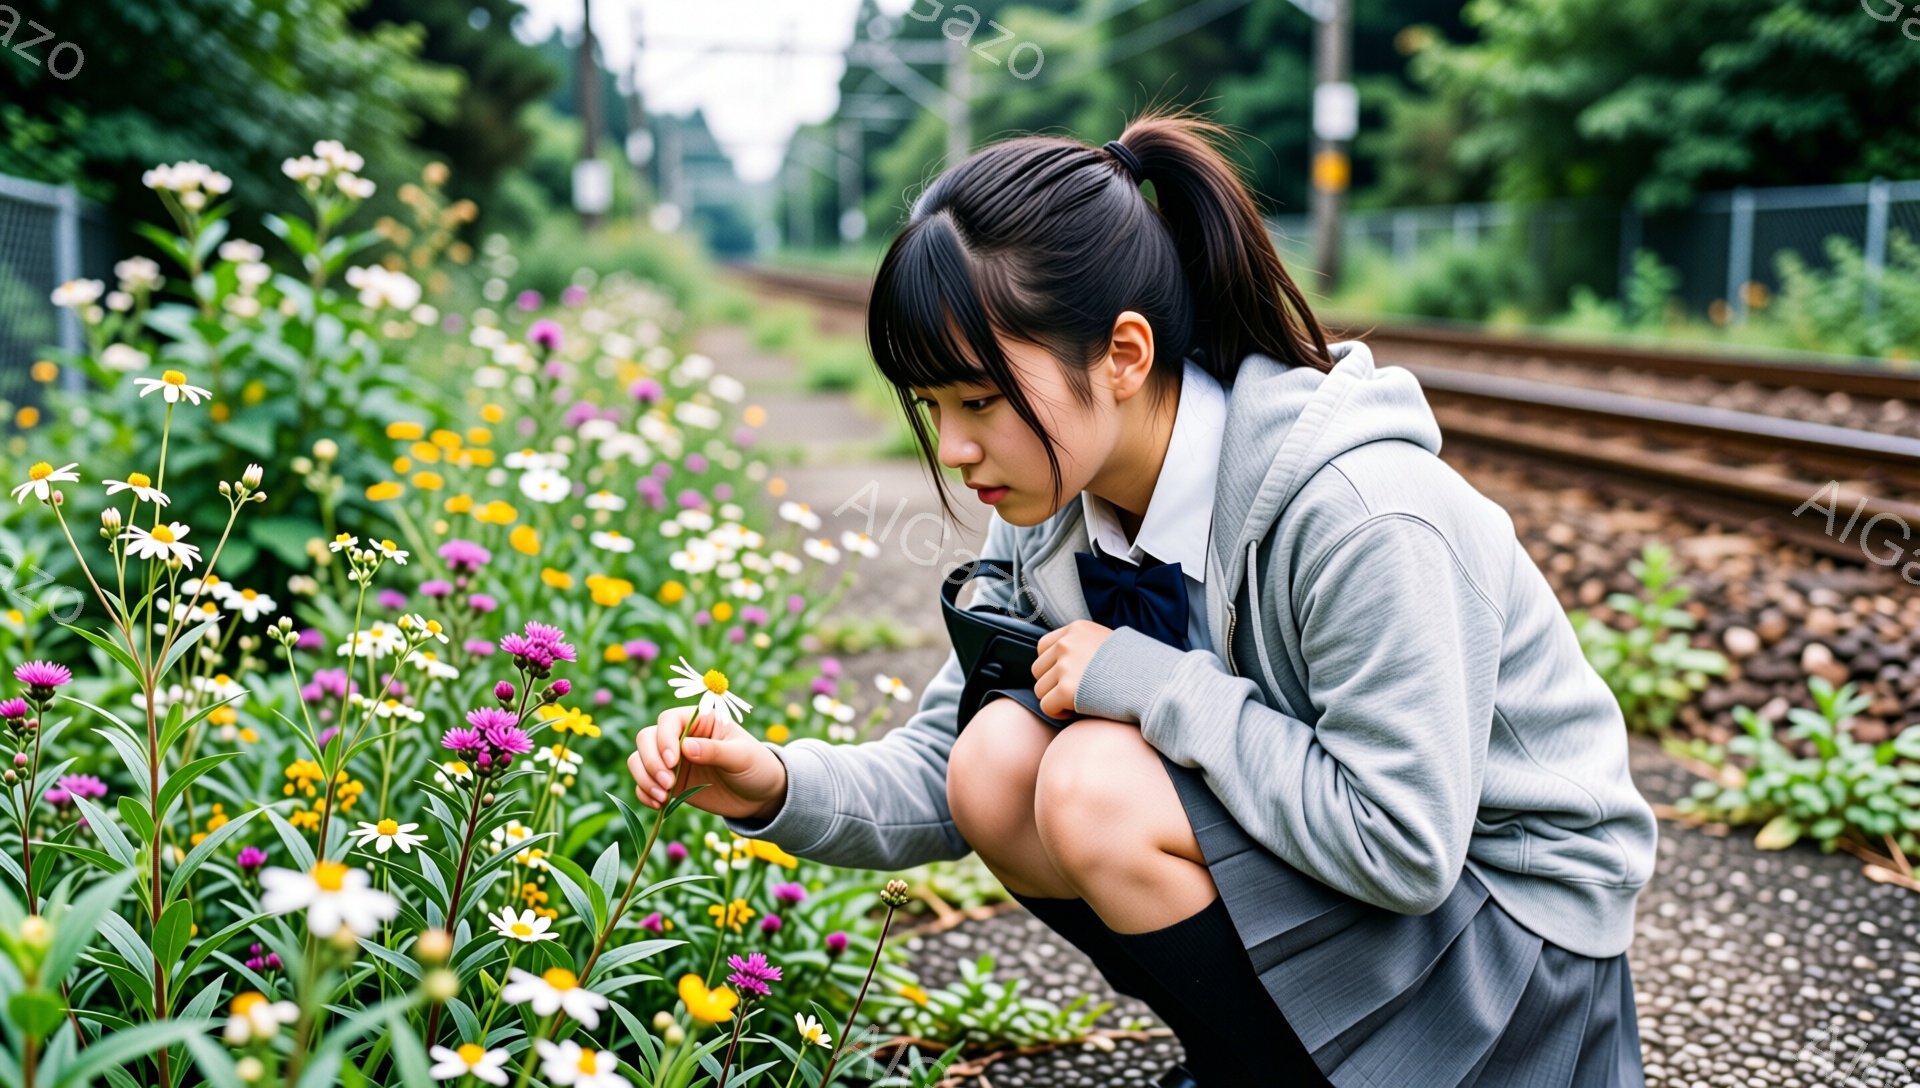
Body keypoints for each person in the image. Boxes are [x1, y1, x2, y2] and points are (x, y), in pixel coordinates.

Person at [629, 106, 1656, 1087]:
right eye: (930, 404)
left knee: (1093, 780)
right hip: (1376, 907)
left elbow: (1401, 843)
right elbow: (947, 762)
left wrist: (1147, 681)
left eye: (979, 399)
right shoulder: (1048, 505)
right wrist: (772, 783)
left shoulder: (1360, 512)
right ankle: (1252, 1059)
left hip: (1513, 965)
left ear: (1123, 355)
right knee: (999, 759)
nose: (952, 448)